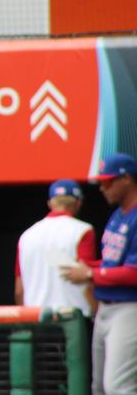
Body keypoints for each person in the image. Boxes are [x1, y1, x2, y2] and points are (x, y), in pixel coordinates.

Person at [61, 152, 137, 395]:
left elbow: (134, 273)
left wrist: (90, 274)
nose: (102, 188)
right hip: (105, 308)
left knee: (118, 388)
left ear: (126, 179)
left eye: (108, 182)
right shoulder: (117, 214)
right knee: (99, 388)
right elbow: (112, 263)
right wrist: (89, 267)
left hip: (129, 308)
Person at [15, 179, 97, 316]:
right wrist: (97, 312)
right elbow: (87, 281)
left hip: (36, 317)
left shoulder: (26, 235)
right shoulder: (83, 230)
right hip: (73, 318)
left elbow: (19, 290)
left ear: (50, 203)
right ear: (78, 203)